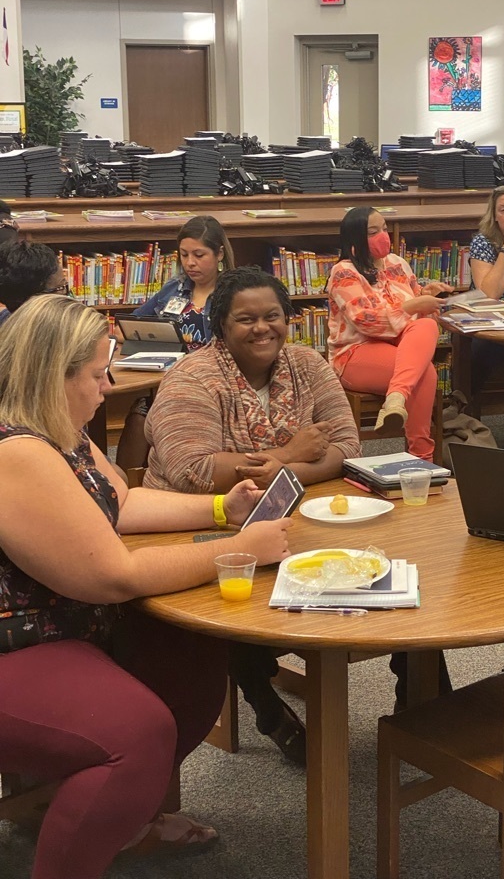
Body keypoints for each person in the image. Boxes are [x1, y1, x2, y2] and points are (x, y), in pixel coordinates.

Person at [0, 294, 292, 879]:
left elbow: (122, 501)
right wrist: (240, 551)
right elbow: (116, 575)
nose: (107, 386)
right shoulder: (18, 453)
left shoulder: (62, 433)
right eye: (96, 373)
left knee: (194, 656)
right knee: (137, 734)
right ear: (52, 376)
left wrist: (218, 509)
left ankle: (120, 819)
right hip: (20, 644)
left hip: (72, 627)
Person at [143, 265, 361, 764]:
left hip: (295, 514)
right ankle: (265, 703)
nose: (262, 328)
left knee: (387, 568)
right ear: (221, 326)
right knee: (236, 595)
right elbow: (192, 469)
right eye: (246, 319)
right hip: (198, 523)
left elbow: (346, 447)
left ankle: (418, 708)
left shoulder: (308, 364)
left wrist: (286, 471)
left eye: (273, 316)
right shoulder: (192, 376)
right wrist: (291, 453)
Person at [327, 205, 452, 460]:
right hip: (355, 352)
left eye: (384, 229)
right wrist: (413, 305)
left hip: (400, 348)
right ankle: (422, 457)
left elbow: (414, 314)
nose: (383, 236)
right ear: (355, 240)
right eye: (373, 232)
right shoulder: (344, 272)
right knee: (423, 372)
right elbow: (367, 321)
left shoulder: (398, 264)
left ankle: (395, 399)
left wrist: (426, 297)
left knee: (427, 326)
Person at [116, 214, 235, 470]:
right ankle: (127, 487)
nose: (190, 263)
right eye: (183, 255)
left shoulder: (235, 292)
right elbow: (130, 325)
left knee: (156, 414)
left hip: (213, 383)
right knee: (139, 415)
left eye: (199, 255)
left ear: (220, 254)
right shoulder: (174, 288)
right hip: (165, 379)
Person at [0, 238, 67, 325]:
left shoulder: (6, 318)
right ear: (30, 300)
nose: (67, 296)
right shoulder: (66, 332)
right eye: (60, 288)